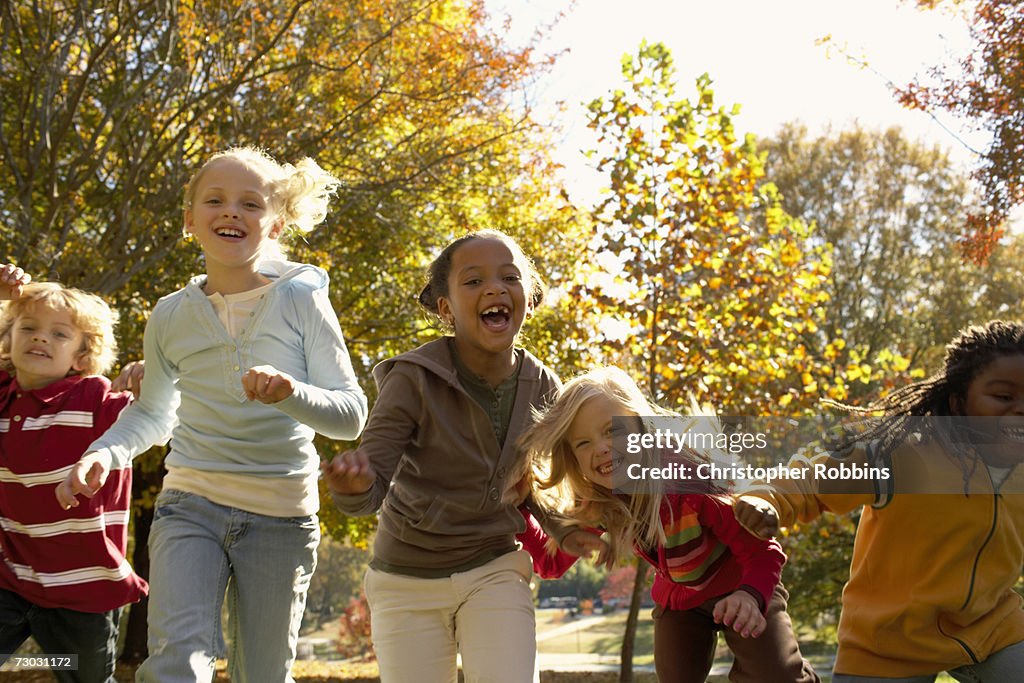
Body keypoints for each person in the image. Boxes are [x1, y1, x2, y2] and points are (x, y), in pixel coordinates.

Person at [54, 147, 368, 683]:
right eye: (215, 200)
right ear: (189, 219)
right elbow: (153, 414)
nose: (231, 212)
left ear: (276, 224)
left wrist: (290, 393)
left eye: (251, 203)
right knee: (177, 661)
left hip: (282, 513)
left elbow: (349, 415)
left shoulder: (301, 299)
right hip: (190, 502)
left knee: (262, 674)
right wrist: (102, 452)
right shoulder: (171, 315)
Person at [322, 229, 597, 683]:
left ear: (528, 295)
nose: (494, 288)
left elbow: (531, 485)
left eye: (510, 277)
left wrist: (562, 530)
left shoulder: (543, 385)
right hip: (405, 580)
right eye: (473, 281)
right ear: (446, 308)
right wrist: (353, 486)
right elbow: (368, 492)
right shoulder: (412, 379)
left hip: (494, 566)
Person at [735, 320, 1024, 682]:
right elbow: (813, 471)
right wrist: (769, 498)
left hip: (992, 628)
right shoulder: (901, 453)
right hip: (888, 640)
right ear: (958, 401)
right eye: (1003, 396)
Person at [519, 365, 820, 683]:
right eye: (583, 443)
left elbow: (764, 553)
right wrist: (519, 508)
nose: (601, 448)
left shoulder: (693, 480)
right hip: (681, 601)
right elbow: (550, 562)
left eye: (612, 431)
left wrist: (750, 596)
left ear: (642, 427)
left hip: (744, 580)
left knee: (777, 675)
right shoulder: (600, 501)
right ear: (573, 457)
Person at [0, 264, 147, 682]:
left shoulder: (93, 397)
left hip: (84, 588)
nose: (41, 337)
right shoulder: (3, 397)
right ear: (8, 341)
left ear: (82, 355)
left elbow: (154, 417)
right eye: (28, 327)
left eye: (60, 334)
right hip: (11, 578)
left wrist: (149, 382)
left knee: (85, 677)